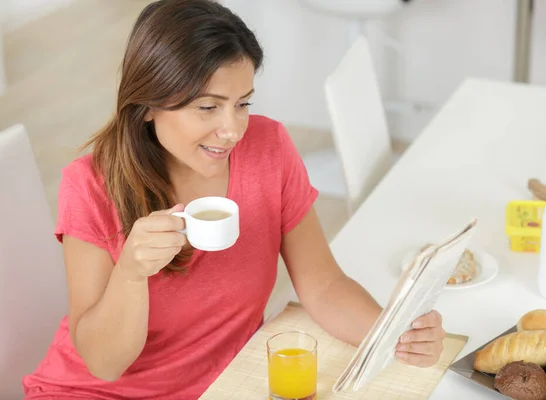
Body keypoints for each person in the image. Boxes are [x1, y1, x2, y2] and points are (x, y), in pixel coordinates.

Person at [22, 0, 445, 398]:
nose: (232, 129)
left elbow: (324, 285)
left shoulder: (269, 148)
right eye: (208, 108)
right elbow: (103, 364)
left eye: (242, 104)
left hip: (224, 385)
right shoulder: (91, 187)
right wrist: (131, 273)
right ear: (147, 105)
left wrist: (393, 334)